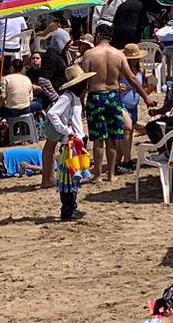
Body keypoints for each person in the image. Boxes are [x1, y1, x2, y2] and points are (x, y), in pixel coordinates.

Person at [78, 24, 148, 181]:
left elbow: (84, 81)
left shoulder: (89, 54)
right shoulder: (119, 54)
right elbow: (132, 78)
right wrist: (146, 98)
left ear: (98, 35)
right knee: (112, 137)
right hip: (114, 96)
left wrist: (81, 102)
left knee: (98, 138)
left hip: (96, 96)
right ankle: (111, 174)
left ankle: (97, 175)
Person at [48, 64, 93, 221]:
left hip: (77, 143)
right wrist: (66, 131)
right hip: (70, 144)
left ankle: (71, 207)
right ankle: (67, 210)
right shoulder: (67, 97)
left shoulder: (75, 98)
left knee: (74, 177)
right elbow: (52, 114)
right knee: (68, 178)